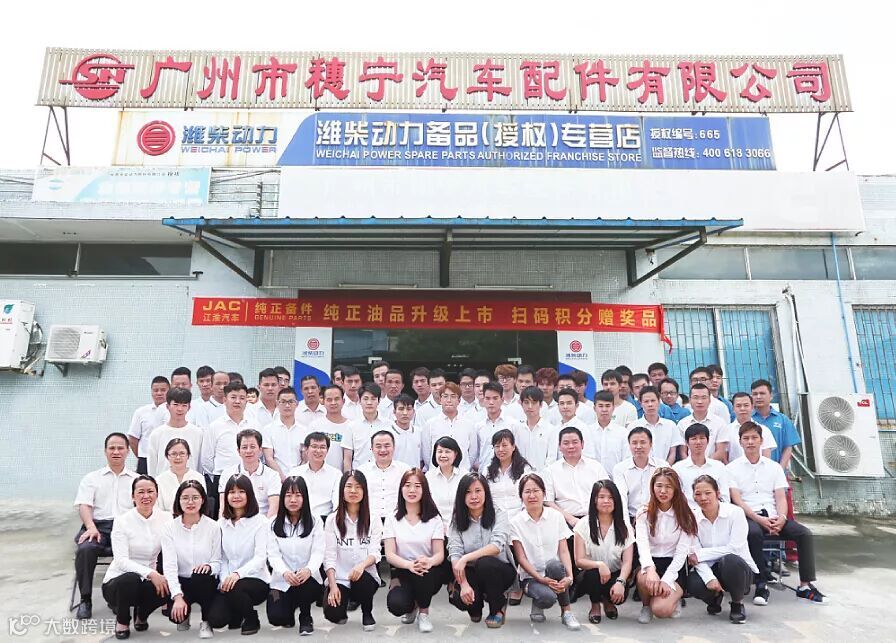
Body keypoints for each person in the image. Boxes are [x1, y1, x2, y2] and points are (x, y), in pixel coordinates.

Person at [728, 422, 826, 605]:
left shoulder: (774, 467)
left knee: (804, 534)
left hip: (774, 515)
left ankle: (805, 585)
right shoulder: (731, 468)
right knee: (753, 533)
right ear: (740, 442)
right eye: (746, 438)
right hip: (750, 516)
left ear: (761, 441)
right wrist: (759, 519)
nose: (750, 442)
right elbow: (737, 501)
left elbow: (781, 497)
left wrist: (781, 518)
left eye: (754, 438)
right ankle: (761, 584)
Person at [73, 433, 140, 620]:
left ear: (128, 451)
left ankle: (118, 598)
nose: (116, 452)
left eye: (120, 448)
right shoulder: (91, 478)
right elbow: (84, 505)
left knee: (136, 549)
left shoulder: (137, 479)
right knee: (85, 549)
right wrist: (90, 526)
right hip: (98, 527)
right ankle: (85, 599)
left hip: (126, 528)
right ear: (105, 451)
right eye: (112, 448)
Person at [101, 475, 169, 639]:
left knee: (170, 585)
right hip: (118, 583)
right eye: (141, 492)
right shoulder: (122, 521)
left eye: (150, 491)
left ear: (157, 494)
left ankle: (142, 615)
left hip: (146, 581)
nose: (146, 496)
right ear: (133, 496)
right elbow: (121, 561)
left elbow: (173, 550)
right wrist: (151, 573)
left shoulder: (166, 518)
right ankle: (122, 621)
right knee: (130, 578)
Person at [509, 473, 580, 630]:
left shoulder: (556, 517)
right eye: (527, 492)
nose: (532, 495)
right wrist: (540, 579)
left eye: (536, 491)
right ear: (521, 496)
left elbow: (563, 551)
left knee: (555, 565)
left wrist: (569, 576)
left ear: (544, 493)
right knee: (547, 597)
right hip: (531, 577)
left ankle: (567, 612)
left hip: (554, 572)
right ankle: (538, 601)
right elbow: (521, 558)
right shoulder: (515, 523)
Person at [448, 472, 516, 628]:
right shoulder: (457, 520)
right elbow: (455, 553)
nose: (474, 496)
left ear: (486, 492)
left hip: (500, 570)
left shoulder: (499, 513)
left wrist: (466, 558)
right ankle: (475, 608)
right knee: (460, 597)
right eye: (468, 492)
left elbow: (496, 547)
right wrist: (463, 584)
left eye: (478, 491)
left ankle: (497, 608)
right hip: (471, 571)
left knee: (485, 563)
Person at [688, 475, 758, 624]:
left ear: (718, 493)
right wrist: (709, 578)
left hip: (739, 569)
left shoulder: (735, 513)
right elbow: (694, 556)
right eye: (698, 494)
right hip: (711, 568)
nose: (703, 498)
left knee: (730, 560)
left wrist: (700, 554)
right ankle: (715, 598)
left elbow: (734, 549)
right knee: (693, 583)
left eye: (708, 493)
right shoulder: (692, 517)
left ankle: (737, 603)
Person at [384, 468, 447, 633]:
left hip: (428, 571)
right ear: (401, 489)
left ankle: (424, 613)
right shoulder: (392, 518)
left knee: (423, 571)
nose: (412, 490)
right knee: (396, 604)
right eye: (407, 485)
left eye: (417, 486)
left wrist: (429, 561)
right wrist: (409, 565)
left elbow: (439, 554)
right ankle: (412, 606)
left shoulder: (434, 519)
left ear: (424, 490)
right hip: (404, 569)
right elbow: (389, 554)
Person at [207, 474, 271, 635]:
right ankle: (237, 611)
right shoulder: (221, 524)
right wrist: (224, 579)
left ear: (249, 494)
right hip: (229, 581)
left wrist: (237, 574)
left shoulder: (261, 522)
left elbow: (260, 558)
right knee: (216, 620)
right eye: (232, 492)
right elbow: (221, 558)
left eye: (241, 491)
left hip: (256, 579)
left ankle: (251, 618)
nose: (236, 496)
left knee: (237, 587)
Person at [634, 467, 698, 624]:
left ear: (676, 489)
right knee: (643, 578)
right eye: (659, 486)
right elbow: (642, 545)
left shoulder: (685, 515)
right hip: (651, 562)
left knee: (661, 610)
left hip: (674, 565)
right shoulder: (643, 512)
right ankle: (646, 606)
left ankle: (672, 600)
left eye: (668, 487)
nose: (663, 491)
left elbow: (682, 553)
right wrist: (650, 570)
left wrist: (667, 580)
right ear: (652, 487)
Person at [160, 480, 220, 639]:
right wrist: (177, 596)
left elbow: (218, 561)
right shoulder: (169, 528)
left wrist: (209, 567)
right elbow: (170, 566)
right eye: (185, 498)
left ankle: (206, 621)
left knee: (201, 576)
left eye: (195, 497)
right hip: (182, 581)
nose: (190, 502)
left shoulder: (213, 527)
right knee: (175, 616)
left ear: (203, 500)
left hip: (205, 582)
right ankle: (184, 614)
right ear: (178, 501)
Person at [323, 470, 381, 631]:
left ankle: (367, 613)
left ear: (364, 491)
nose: (353, 491)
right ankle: (345, 603)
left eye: (358, 487)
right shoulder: (332, 520)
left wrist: (361, 566)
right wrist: (333, 586)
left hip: (365, 577)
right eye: (349, 486)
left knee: (361, 579)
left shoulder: (373, 518)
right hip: (340, 578)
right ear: (342, 490)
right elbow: (329, 556)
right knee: (333, 614)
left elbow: (375, 552)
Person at [266, 476, 325, 636]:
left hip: (308, 578)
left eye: (298, 495)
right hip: (282, 579)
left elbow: (318, 552)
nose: (293, 500)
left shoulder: (315, 521)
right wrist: (285, 572)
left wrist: (308, 569)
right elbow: (273, 555)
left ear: (305, 497)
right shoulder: (273, 523)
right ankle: (290, 607)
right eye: (288, 495)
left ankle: (305, 617)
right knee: (277, 617)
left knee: (304, 585)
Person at [572, 480, 634, 624]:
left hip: (615, 573)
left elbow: (627, 561)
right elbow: (579, 560)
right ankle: (595, 605)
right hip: (591, 575)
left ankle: (608, 601)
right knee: (593, 574)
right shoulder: (583, 525)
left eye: (611, 497)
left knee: (619, 593)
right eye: (601, 497)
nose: (606, 501)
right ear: (594, 500)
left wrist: (621, 582)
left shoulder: (624, 526)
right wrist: (599, 564)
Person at [201, 383, 254, 517]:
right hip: (222, 481)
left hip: (249, 479)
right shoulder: (214, 427)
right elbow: (207, 459)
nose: (237, 401)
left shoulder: (254, 425)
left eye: (242, 398)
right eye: (233, 397)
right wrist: (219, 476)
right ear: (225, 400)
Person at [543, 427, 609, 529]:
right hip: (565, 523)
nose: (571, 446)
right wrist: (571, 519)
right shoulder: (550, 471)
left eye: (575, 442)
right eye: (566, 443)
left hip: (597, 519)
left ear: (582, 444)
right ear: (559, 446)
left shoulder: (596, 467)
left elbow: (608, 493)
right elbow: (548, 502)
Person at [219, 429, 280, 518]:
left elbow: (274, 509)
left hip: (262, 523)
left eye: (252, 447)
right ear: (238, 451)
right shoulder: (227, 474)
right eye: (244, 447)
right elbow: (223, 507)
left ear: (260, 450)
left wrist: (264, 526)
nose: (248, 451)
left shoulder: (272, 475)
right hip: (235, 522)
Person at [146, 388, 203, 477]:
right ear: (167, 406)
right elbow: (152, 464)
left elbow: (199, 464)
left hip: (191, 482)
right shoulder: (157, 434)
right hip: (163, 482)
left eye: (184, 405)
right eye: (175, 405)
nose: (180, 409)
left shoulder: (198, 433)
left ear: (189, 407)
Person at [612, 427, 665, 522]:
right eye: (634, 443)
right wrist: (626, 524)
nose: (638, 446)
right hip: (632, 517)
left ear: (651, 444)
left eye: (643, 442)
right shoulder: (620, 469)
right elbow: (621, 498)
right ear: (629, 445)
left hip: (658, 517)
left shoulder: (662, 466)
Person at [287, 432, 342, 523]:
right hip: (299, 519)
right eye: (314, 446)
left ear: (327, 450)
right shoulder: (295, 473)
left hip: (325, 519)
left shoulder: (336, 474)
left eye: (322, 447)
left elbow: (337, 504)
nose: (318, 451)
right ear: (306, 449)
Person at [359, 430, 412, 522]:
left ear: (394, 447)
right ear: (372, 449)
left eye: (387, 446)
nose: (383, 450)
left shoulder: (405, 470)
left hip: (398, 520)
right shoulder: (362, 471)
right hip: (369, 521)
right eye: (378, 446)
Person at [674, 424, 731, 508]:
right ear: (686, 442)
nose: (698, 442)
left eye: (702, 438)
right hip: (688, 513)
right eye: (694, 439)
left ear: (708, 441)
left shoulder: (719, 467)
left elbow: (725, 497)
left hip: (714, 512)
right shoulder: (677, 468)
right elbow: (676, 497)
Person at [422, 382, 477, 470]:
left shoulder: (469, 425)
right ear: (440, 400)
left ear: (459, 400)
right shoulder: (430, 424)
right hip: (436, 473)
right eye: (445, 396)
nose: (449, 400)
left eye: (453, 396)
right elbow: (426, 454)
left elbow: (472, 453)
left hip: (462, 473)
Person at [750, 379, 801, 472]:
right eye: (755, 394)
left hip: (776, 471)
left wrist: (780, 470)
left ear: (771, 396)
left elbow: (788, 447)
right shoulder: (748, 420)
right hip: (752, 472)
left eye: (762, 393)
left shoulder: (783, 420)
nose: (758, 397)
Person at [485, 429, 533, 518]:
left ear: (513, 447)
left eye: (504, 445)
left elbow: (529, 493)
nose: (500, 449)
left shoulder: (525, 469)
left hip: (519, 516)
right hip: (494, 517)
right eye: (497, 446)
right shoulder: (487, 470)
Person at [127, 375, 170, 474]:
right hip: (145, 459)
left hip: (168, 459)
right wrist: (142, 455)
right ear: (151, 392)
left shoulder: (175, 411)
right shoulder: (141, 412)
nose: (159, 393)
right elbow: (133, 438)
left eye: (163, 390)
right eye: (156, 390)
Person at [629, 386, 682, 464]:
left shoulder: (670, 426)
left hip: (665, 468)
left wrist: (664, 468)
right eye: (646, 401)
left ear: (659, 401)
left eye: (653, 401)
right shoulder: (633, 427)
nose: (650, 404)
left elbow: (672, 453)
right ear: (640, 403)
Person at [308, 385, 356, 471]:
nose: (333, 403)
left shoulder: (351, 426)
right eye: (329, 400)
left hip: (342, 475)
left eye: (337, 399)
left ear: (343, 401)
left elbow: (349, 458)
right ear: (323, 401)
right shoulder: (314, 426)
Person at [262, 386, 305, 481]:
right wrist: (282, 478)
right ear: (277, 403)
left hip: (299, 479)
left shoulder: (304, 430)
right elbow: (269, 458)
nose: (287, 405)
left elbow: (305, 458)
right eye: (283, 402)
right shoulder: (268, 430)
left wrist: (295, 478)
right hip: (275, 479)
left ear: (297, 404)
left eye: (291, 402)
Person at [676, 383, 727, 461]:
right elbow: (683, 452)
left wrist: (705, 464)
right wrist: (691, 465)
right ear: (690, 400)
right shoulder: (682, 424)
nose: (700, 401)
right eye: (695, 397)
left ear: (710, 400)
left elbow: (720, 451)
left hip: (713, 465)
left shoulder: (720, 423)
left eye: (704, 397)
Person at [474, 382, 518, 470]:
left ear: (502, 399)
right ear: (483, 400)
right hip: (484, 473)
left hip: (507, 473)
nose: (491, 402)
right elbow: (475, 453)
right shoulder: (478, 426)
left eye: (495, 398)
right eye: (487, 398)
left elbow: (517, 450)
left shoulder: (512, 424)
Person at [513, 386, 559, 471]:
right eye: (526, 402)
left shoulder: (551, 430)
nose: (530, 406)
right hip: (521, 475)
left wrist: (541, 475)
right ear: (521, 404)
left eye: (534, 403)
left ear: (541, 404)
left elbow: (551, 458)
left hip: (543, 476)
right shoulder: (516, 429)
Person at [425, 437, 466, 529]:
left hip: (460, 527)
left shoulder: (464, 476)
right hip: (435, 528)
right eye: (439, 451)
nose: (443, 455)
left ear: (456, 454)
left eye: (447, 452)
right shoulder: (428, 477)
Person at [156, 438, 206, 514]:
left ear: (188, 455)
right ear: (167, 456)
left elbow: (203, 505)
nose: (178, 457)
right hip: (167, 519)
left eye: (182, 453)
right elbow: (158, 509)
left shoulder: (198, 477)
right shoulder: (159, 480)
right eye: (174, 454)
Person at [349, 383, 392, 468]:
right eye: (365, 399)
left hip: (383, 471)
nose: (369, 402)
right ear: (359, 401)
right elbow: (348, 457)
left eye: (373, 399)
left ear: (379, 401)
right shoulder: (352, 426)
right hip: (359, 472)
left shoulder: (389, 425)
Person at [727, 392, 776, 462]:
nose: (742, 408)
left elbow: (767, 458)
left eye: (746, 405)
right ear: (733, 408)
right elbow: (724, 456)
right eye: (738, 406)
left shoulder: (764, 430)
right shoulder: (726, 430)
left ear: (752, 407)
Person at [589, 390, 629, 473]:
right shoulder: (587, 432)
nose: (604, 409)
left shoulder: (623, 433)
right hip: (593, 477)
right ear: (594, 408)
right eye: (600, 406)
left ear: (613, 408)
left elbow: (626, 459)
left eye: (608, 406)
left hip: (616, 477)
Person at [390, 393, 424, 469]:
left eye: (408, 409)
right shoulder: (388, 433)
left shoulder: (419, 432)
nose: (405, 413)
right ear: (394, 412)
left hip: (415, 474)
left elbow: (422, 459)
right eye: (401, 409)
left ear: (413, 411)